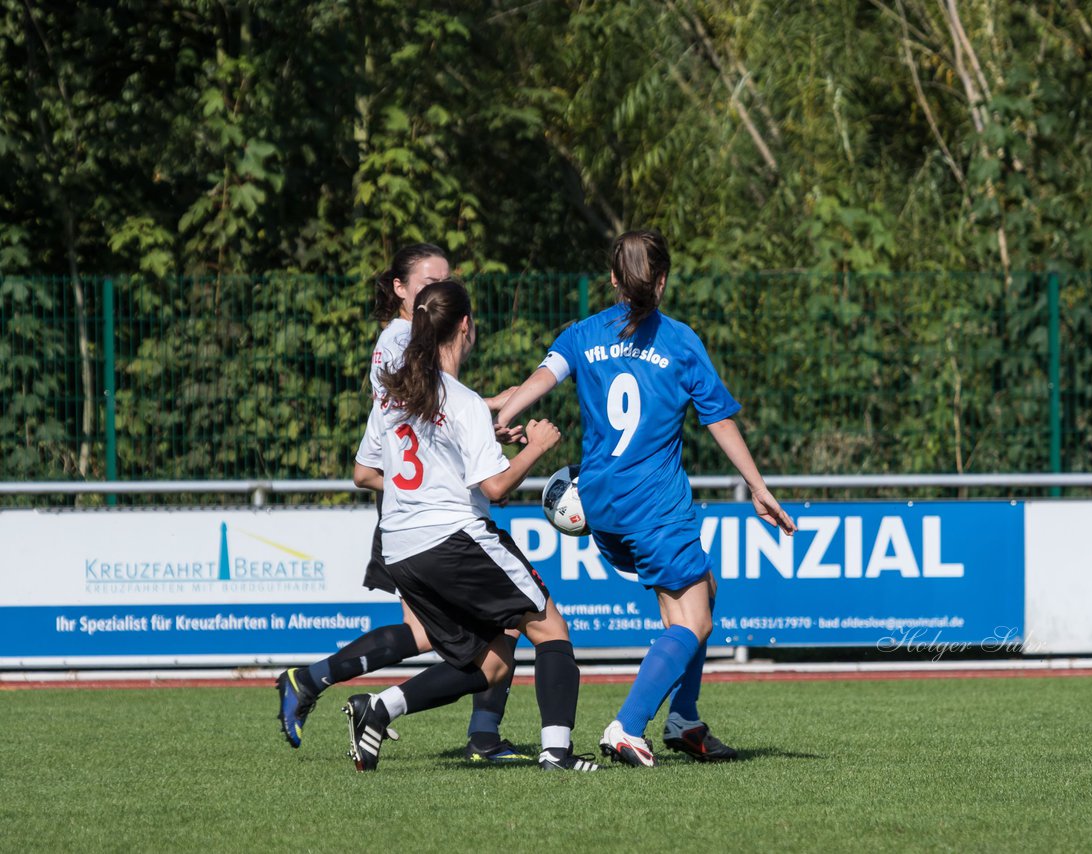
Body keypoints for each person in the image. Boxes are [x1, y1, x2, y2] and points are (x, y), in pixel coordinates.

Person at [497, 229, 796, 767]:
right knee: (692, 623)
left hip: (602, 507)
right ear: (662, 281)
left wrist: (505, 417)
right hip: (655, 506)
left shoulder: (583, 333)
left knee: (703, 586)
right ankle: (627, 726)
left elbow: (538, 382)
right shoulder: (680, 342)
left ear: (613, 279)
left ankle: (684, 719)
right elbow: (719, 421)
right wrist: (758, 484)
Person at [276, 244, 526, 762]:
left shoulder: (401, 339)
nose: (439, 288)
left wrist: (483, 417)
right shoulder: (400, 337)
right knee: (492, 623)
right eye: (428, 281)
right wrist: (485, 410)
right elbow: (420, 402)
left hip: (417, 506)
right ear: (399, 288)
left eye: (446, 279)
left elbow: (424, 411)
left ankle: (313, 679)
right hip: (425, 511)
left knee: (439, 631)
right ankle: (480, 736)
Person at [343, 278, 597, 773]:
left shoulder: (394, 396)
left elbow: (364, 474)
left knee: (492, 661)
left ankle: (378, 708)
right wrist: (537, 447)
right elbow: (497, 489)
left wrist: (438, 481)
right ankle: (558, 754)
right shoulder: (461, 400)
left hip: (401, 550)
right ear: (465, 326)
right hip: (454, 540)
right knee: (552, 630)